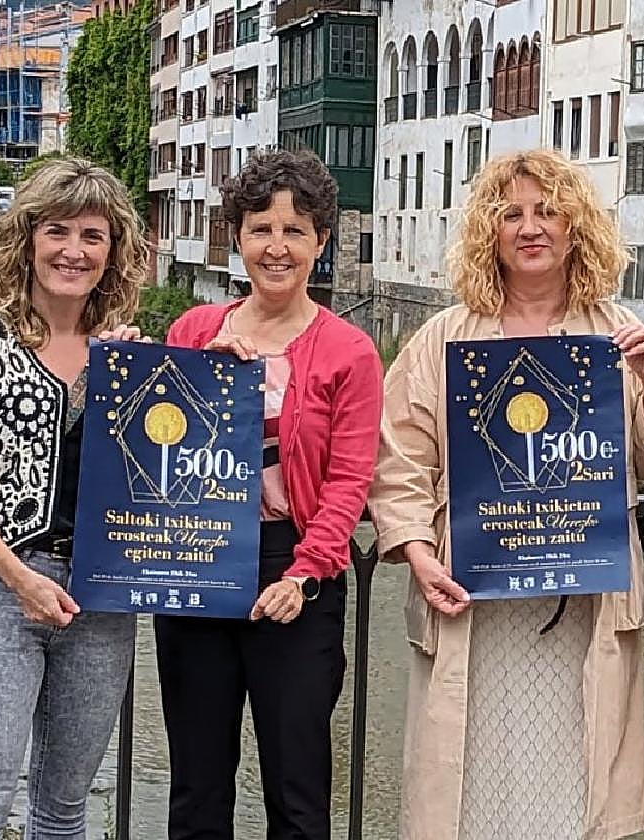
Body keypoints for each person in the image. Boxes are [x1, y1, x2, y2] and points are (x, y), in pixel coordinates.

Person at [368, 148, 644, 840]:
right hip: (476, 608)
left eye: (547, 211)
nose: (530, 226)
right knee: (472, 790)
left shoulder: (616, 334)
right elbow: (398, 461)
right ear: (490, 232)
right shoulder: (444, 338)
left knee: (577, 792)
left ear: (577, 227)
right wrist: (419, 554)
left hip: (584, 612)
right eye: (510, 213)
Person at [157, 148, 383, 839]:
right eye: (260, 228)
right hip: (197, 558)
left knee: (296, 784)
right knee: (197, 784)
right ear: (237, 236)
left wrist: (307, 574)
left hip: (295, 571)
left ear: (321, 241)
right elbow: (157, 451)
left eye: (295, 230)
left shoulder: (350, 351)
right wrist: (191, 373)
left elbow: (349, 481)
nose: (277, 247)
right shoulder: (193, 332)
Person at [0, 157, 150, 838]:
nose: (74, 250)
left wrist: (136, 383)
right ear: (28, 240)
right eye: (58, 231)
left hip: (100, 595)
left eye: (93, 236)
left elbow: (155, 482)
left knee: (65, 808)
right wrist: (19, 578)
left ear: (112, 251)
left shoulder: (126, 358)